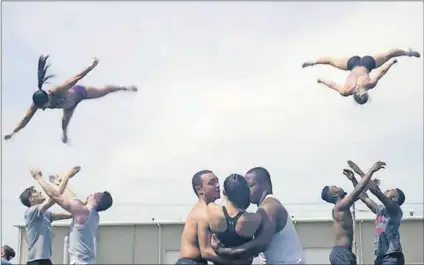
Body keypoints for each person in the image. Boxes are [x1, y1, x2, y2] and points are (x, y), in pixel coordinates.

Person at [4, 55, 138, 144]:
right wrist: (13, 132)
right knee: (65, 122)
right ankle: (65, 134)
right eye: (41, 108)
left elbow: (75, 78)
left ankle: (124, 88)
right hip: (69, 106)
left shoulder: (57, 90)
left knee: (105, 91)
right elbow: (25, 120)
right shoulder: (36, 105)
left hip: (79, 93)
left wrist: (91, 66)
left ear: (48, 97)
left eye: (44, 106)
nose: (44, 109)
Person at [212, 167, 306, 264]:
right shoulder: (265, 208)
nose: (247, 191)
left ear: (265, 185)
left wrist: (224, 251)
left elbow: (260, 244)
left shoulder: (269, 207)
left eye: (250, 186)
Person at [31, 167, 113, 264]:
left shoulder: (83, 211)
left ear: (97, 199)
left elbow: (55, 196)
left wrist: (39, 178)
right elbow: (74, 198)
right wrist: (60, 183)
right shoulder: (93, 215)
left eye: (96, 193)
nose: (93, 193)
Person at [320, 161, 386, 265]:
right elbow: (359, 189)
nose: (339, 186)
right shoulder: (340, 206)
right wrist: (371, 170)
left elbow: (361, 194)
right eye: (335, 187)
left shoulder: (342, 206)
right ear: (334, 194)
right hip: (341, 253)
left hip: (344, 252)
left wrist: (355, 180)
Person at [302, 48, 420, 104]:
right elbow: (381, 73)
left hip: (351, 64)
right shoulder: (369, 84)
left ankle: (313, 62)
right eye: (363, 92)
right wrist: (390, 63)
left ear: (356, 95)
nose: (359, 90)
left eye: (358, 93)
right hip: (368, 64)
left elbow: (332, 84)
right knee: (388, 55)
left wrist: (322, 80)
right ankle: (407, 53)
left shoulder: (345, 90)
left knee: (332, 61)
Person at [346, 161, 406, 265]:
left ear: (395, 199)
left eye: (391, 190)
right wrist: (353, 180)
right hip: (380, 257)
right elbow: (364, 197)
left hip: (391, 256)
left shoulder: (395, 210)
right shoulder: (381, 210)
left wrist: (361, 171)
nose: (387, 189)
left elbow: (376, 191)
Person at [20, 166, 81, 265]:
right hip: (36, 261)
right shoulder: (30, 212)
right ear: (30, 199)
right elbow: (55, 197)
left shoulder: (46, 214)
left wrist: (60, 184)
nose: (40, 192)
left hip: (45, 260)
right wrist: (66, 177)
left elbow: (71, 213)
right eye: (35, 192)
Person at [199, 174, 261, 264]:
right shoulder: (255, 219)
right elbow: (258, 248)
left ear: (224, 192)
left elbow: (205, 253)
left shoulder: (211, 210)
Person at [177, 170, 236, 265]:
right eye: (212, 183)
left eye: (217, 181)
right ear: (200, 190)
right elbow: (206, 252)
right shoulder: (203, 212)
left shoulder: (205, 210)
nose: (217, 185)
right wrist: (233, 262)